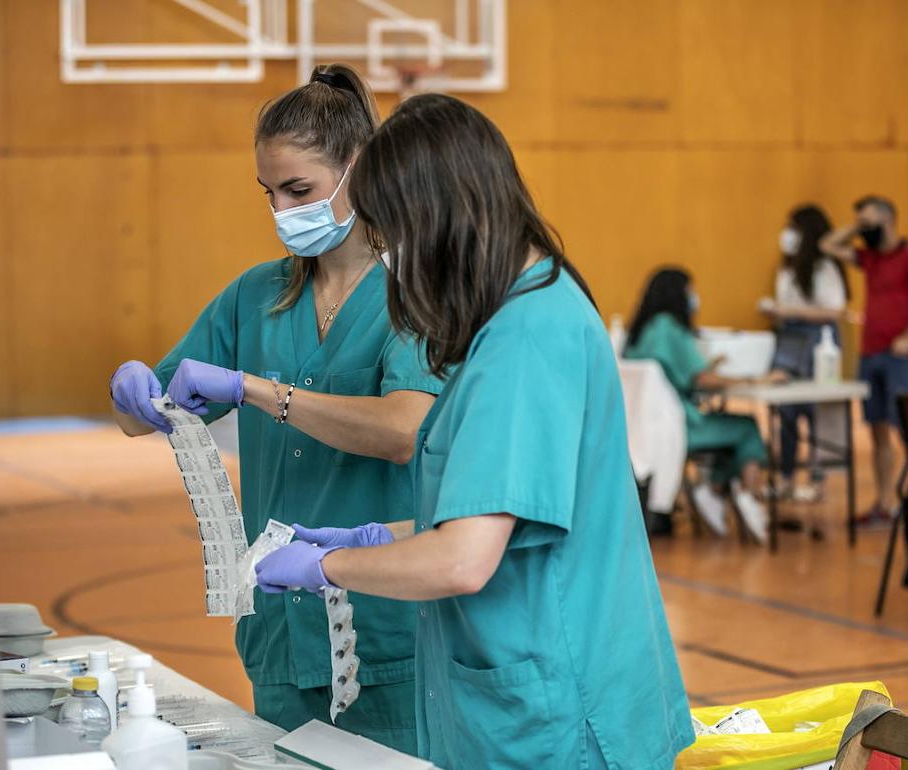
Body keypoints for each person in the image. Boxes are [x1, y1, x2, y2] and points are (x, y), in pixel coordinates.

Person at [254, 94, 695, 769]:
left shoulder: (527, 338)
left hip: (556, 713)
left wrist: (327, 566)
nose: (390, 259)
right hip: (525, 697)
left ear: (437, 222)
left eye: (392, 236)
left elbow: (463, 558)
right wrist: (374, 536)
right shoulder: (513, 317)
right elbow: (491, 516)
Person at [106, 64, 441, 752]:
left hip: (384, 637)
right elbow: (148, 413)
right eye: (270, 194)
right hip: (280, 633)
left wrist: (258, 391)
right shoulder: (254, 296)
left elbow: (404, 430)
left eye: (300, 191)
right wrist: (134, 393)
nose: (284, 213)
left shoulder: (413, 297)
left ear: (359, 171)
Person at [820, 195, 908, 525]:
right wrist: (857, 227)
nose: (865, 230)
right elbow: (828, 245)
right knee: (877, 430)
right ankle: (884, 502)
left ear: (888, 220)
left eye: (870, 222)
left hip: (899, 357)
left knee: (907, 428)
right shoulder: (869, 258)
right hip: (870, 354)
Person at [623, 267, 776, 543]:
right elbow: (702, 378)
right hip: (678, 425)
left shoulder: (642, 330)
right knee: (746, 428)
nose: (694, 298)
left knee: (726, 427)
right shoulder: (669, 328)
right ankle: (747, 496)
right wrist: (757, 379)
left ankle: (713, 489)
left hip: (641, 429)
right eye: (690, 291)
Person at [762, 204, 848, 503]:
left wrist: (792, 310)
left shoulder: (824, 267)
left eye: (794, 228)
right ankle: (785, 476)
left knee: (816, 413)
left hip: (817, 340)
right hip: (789, 339)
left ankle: (817, 478)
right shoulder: (786, 267)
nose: (787, 234)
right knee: (785, 413)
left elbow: (834, 310)